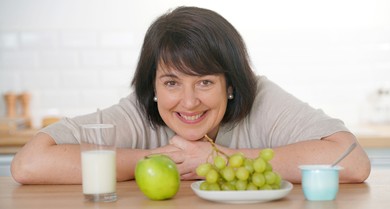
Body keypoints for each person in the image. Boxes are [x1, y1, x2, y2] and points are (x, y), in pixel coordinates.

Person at [11, 6, 371, 185]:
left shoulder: (261, 98)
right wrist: (156, 158)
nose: (188, 102)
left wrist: (221, 159)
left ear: (230, 84)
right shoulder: (137, 112)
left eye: (204, 82)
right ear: (153, 87)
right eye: (171, 83)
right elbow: (29, 163)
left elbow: (353, 162)